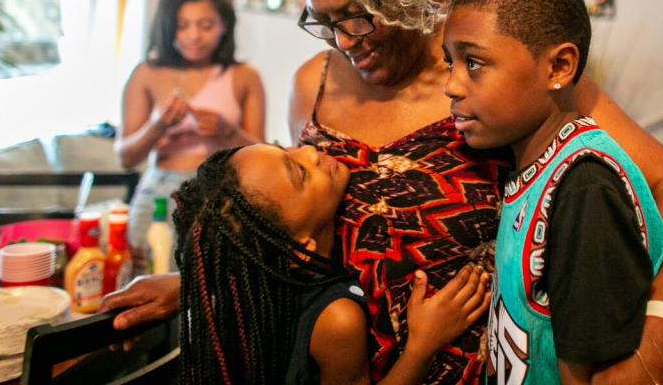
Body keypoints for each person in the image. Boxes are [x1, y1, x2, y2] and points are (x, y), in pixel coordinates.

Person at [103, 0, 663, 383]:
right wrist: (201, 283)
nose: (344, 41)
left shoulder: (497, 76)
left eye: (358, 14)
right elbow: (303, 236)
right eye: (324, 20)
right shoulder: (309, 87)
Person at [444, 0, 663, 384]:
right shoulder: (533, 165)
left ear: (558, 67)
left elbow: (591, 372)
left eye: (473, 63)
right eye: (449, 62)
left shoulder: (584, 188)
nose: (451, 85)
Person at [172, 143, 489, 383]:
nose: (310, 151)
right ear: (299, 249)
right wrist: (423, 345)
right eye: (299, 173)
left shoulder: (255, 295)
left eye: (287, 148)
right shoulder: (336, 320)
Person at [116, 0, 265, 271]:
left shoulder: (244, 76)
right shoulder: (146, 73)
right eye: (182, 25)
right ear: (167, 27)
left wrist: (228, 132)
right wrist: (157, 125)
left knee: (212, 284)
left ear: (224, 25)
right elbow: (126, 157)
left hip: (219, 194)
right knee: (146, 278)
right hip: (158, 194)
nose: (193, 36)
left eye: (206, 25)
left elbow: (262, 155)